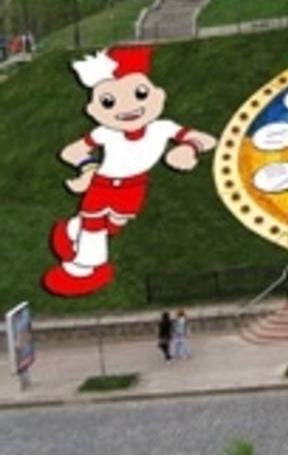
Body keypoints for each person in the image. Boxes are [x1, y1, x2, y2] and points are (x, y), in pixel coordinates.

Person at [43, 45, 217, 297]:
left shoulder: (162, 128)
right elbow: (71, 152)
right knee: (94, 226)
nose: (127, 107)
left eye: (140, 93)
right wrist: (87, 168)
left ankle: (71, 230)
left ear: (158, 95)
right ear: (93, 109)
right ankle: (84, 268)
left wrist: (189, 148)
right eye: (109, 101)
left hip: (135, 186)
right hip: (103, 184)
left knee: (115, 224)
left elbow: (207, 139)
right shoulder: (105, 133)